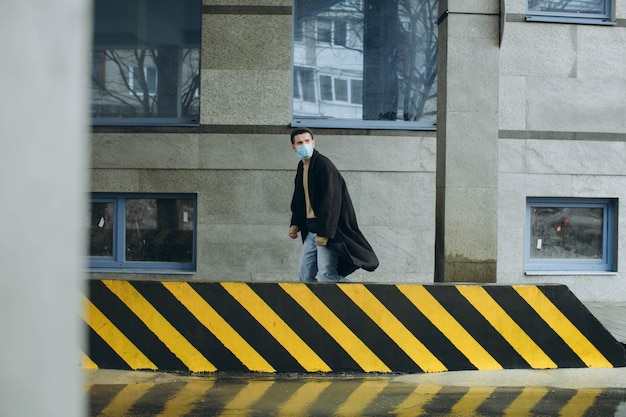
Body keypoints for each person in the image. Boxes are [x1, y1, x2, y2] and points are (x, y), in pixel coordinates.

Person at [288, 127, 379, 282]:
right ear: (294, 147)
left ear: (314, 142)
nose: (304, 145)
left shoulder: (324, 165)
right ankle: (316, 306)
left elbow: (331, 201)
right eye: (300, 142)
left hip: (327, 230)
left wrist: (325, 233)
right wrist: (295, 224)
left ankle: (362, 299)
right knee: (305, 276)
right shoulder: (301, 167)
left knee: (327, 276)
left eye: (307, 141)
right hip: (311, 230)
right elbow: (299, 198)